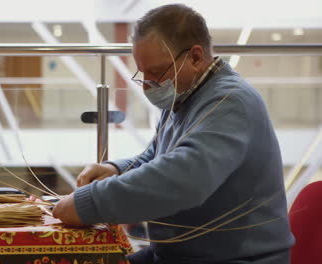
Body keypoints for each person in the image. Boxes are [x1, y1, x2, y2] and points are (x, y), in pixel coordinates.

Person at [52, 3, 295, 264]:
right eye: (143, 74)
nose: (147, 87)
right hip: (178, 255)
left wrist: (88, 203)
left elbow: (182, 179)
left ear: (195, 57)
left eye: (156, 73)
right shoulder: (184, 95)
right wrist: (116, 169)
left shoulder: (230, 102)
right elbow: (155, 157)